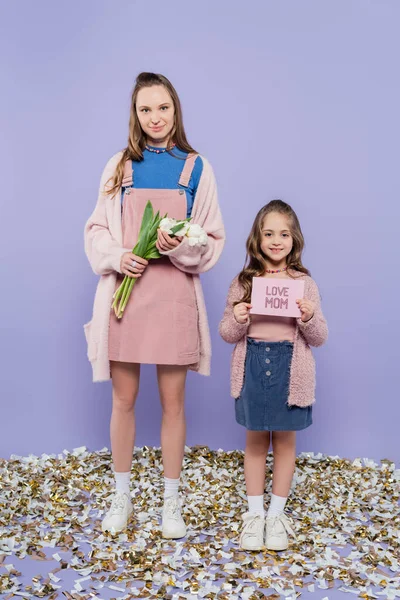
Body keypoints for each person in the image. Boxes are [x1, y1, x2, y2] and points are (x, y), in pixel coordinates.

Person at [84, 72, 225, 538]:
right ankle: (121, 497)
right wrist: (118, 256)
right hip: (126, 299)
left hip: (173, 299)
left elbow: (210, 241)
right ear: (135, 114)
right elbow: (96, 230)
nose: (155, 117)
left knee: (173, 404)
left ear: (175, 109)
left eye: (162, 107)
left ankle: (170, 503)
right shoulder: (119, 166)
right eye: (146, 109)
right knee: (123, 400)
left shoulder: (197, 168)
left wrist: (175, 248)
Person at [219, 200, 327, 551]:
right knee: (254, 441)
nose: (276, 240)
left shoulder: (304, 284)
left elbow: (319, 337)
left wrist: (309, 317)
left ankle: (276, 516)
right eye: (269, 233)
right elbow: (226, 333)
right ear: (257, 238)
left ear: (294, 239)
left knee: (284, 443)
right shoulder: (244, 281)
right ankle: (254, 516)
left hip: (289, 367)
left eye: (284, 234)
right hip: (252, 363)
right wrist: (237, 315)